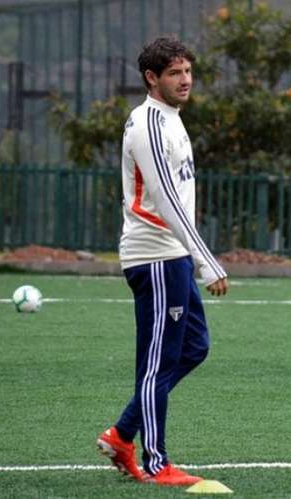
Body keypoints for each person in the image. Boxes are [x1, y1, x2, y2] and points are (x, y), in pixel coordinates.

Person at [96, 36, 229, 486]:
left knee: (194, 348)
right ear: (152, 78)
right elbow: (167, 200)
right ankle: (156, 464)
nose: (185, 79)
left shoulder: (171, 119)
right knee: (156, 363)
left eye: (188, 71)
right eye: (174, 73)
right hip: (154, 256)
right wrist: (206, 260)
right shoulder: (148, 123)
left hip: (173, 257)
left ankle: (122, 432)